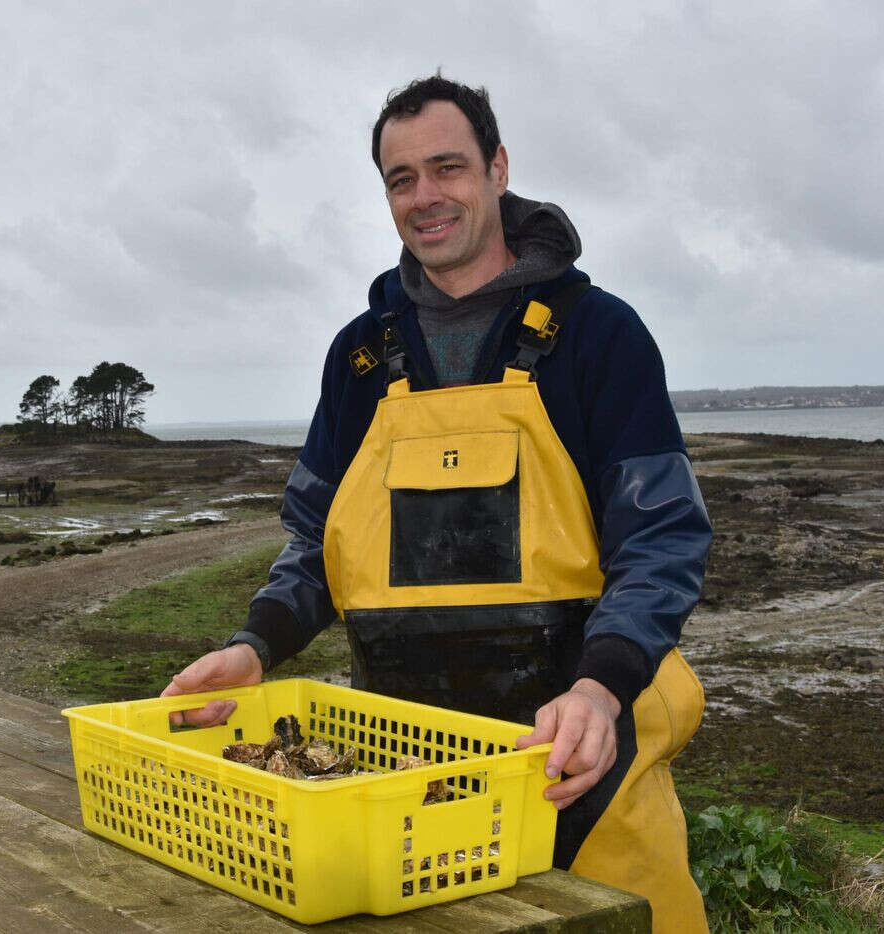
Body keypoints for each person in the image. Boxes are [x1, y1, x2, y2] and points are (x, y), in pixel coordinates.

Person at [162, 75, 711, 932]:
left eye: (447, 167)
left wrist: (602, 691)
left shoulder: (599, 334)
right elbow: (318, 540)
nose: (426, 197)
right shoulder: (359, 356)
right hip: (397, 778)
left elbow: (662, 538)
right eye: (401, 178)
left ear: (497, 168)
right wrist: (255, 645)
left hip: (578, 760)